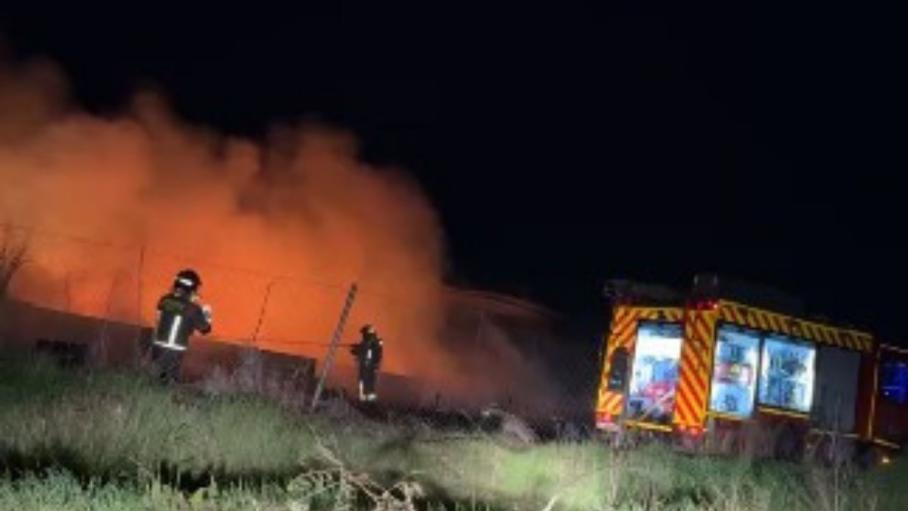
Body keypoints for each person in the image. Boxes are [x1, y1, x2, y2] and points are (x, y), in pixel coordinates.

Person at [151, 269, 212, 383]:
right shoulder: (193, 308)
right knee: (170, 381)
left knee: (157, 376)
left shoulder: (164, 300)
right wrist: (207, 313)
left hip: (157, 346)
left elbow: (161, 318)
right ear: (192, 288)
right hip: (175, 350)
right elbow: (205, 329)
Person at [350, 324, 383, 401]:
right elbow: (363, 351)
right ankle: (364, 398)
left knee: (367, 383)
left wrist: (357, 349)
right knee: (363, 382)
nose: (363, 336)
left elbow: (366, 352)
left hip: (368, 367)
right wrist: (356, 349)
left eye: (364, 334)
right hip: (367, 366)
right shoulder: (370, 342)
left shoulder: (372, 343)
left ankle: (368, 400)